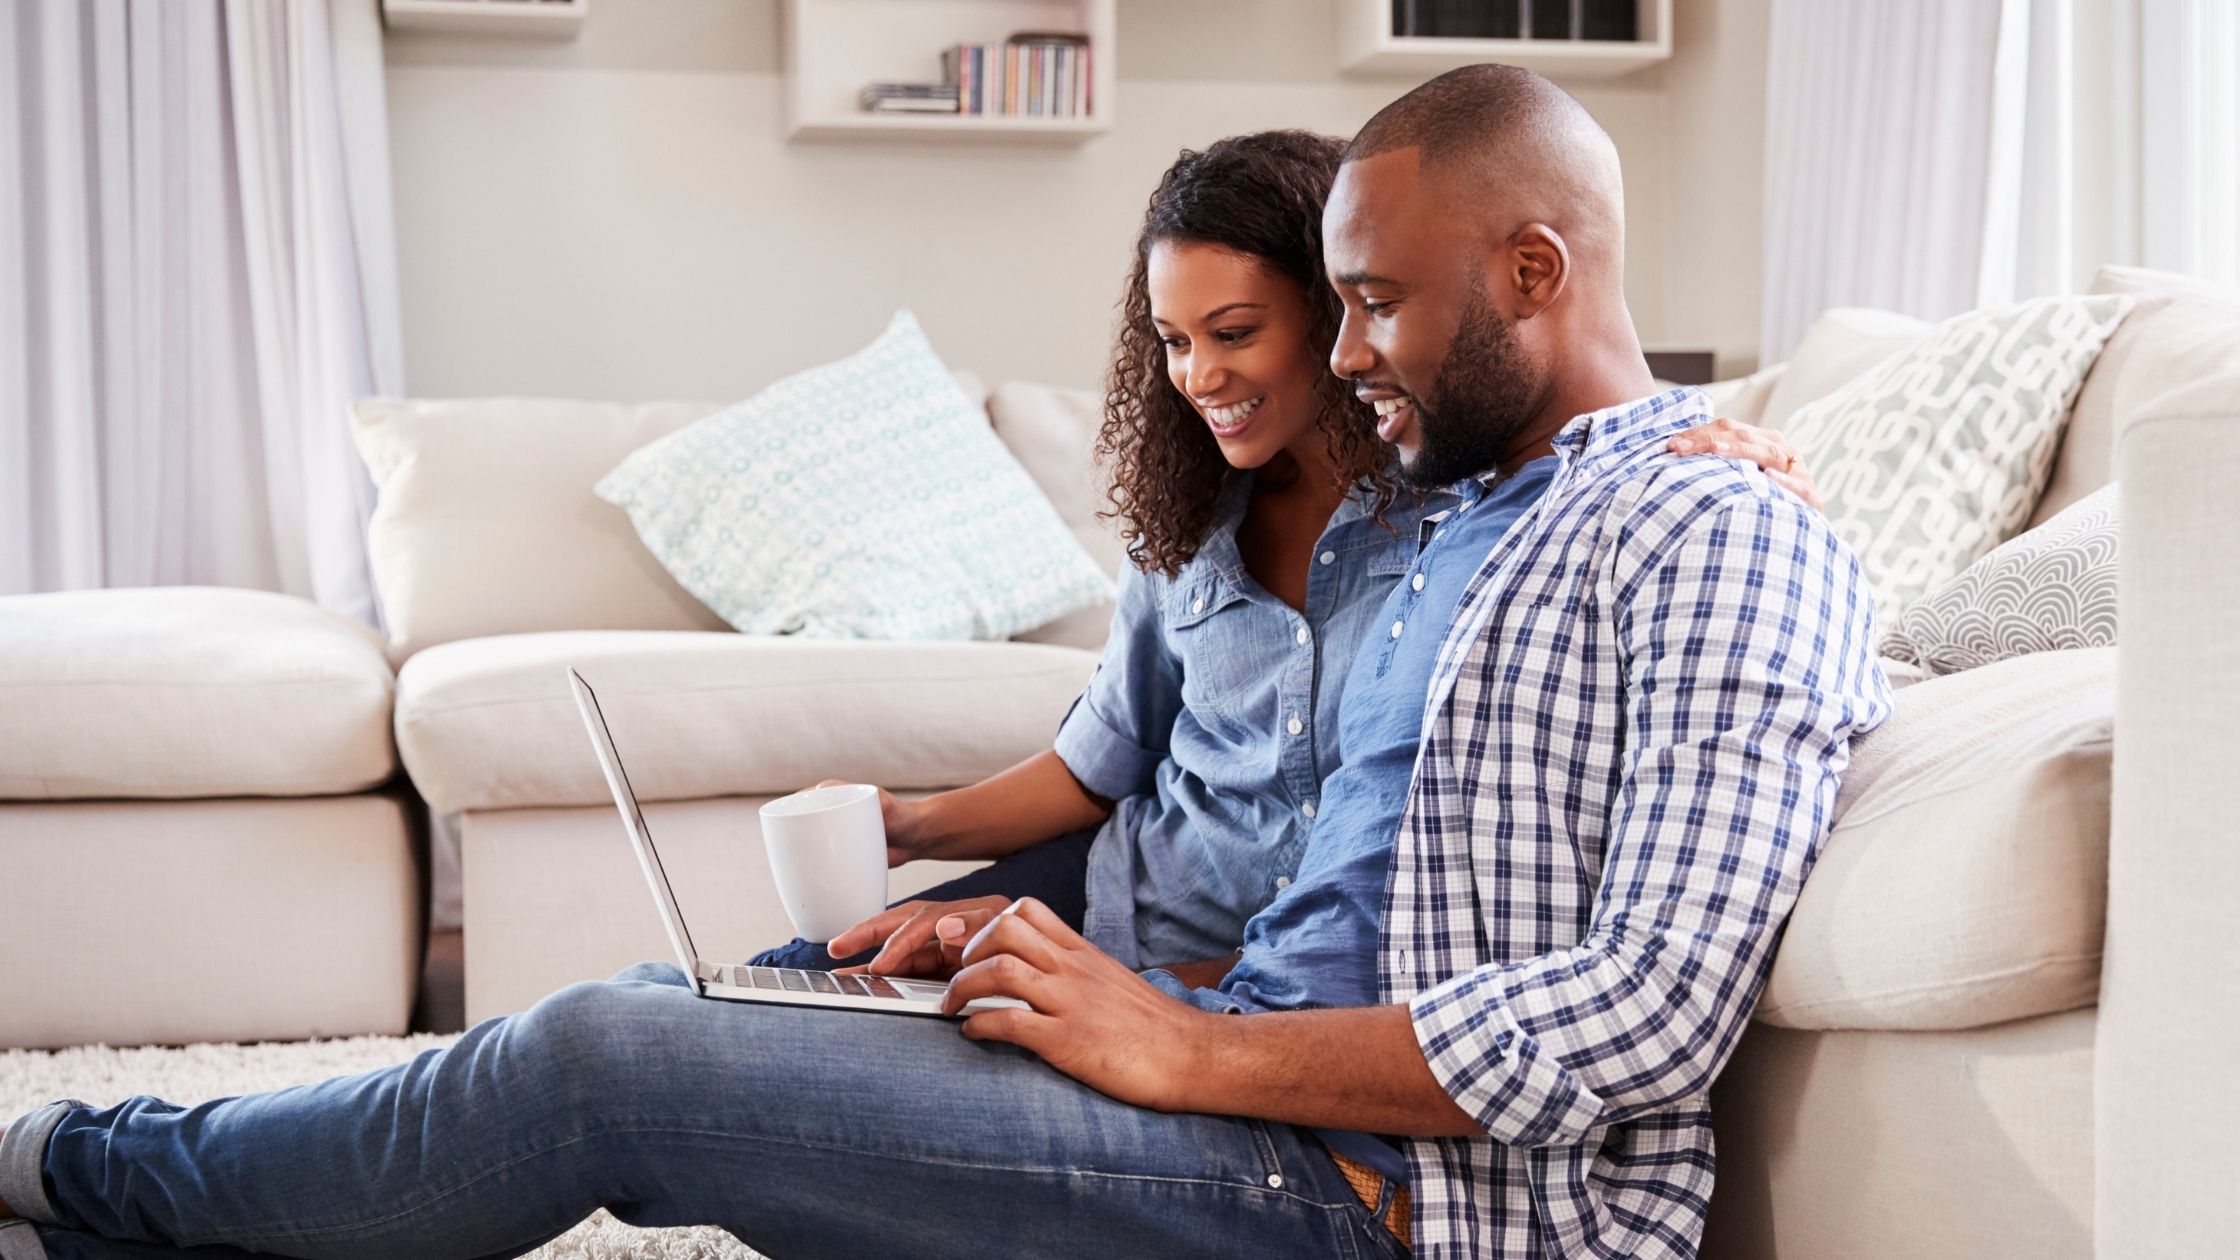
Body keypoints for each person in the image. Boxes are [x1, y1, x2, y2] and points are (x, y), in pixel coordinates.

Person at [0, 66, 1887, 1260]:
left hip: (1366, 1192)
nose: (1350, 355)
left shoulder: (1714, 526)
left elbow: (1644, 1014)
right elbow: (1250, 803)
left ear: (1540, 273)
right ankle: (174, 1178)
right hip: (1225, 1083)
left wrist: (1187, 1046)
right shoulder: (1448, 503)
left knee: (608, 1064)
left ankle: (84, 1168)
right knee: (731, 996)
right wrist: (1094, 965)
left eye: (1370, 307)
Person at [755, 131, 1814, 984]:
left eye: (1231, 332)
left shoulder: (1465, 494)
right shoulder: (1187, 522)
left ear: (1332, 312)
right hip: (1128, 890)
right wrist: (906, 827)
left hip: (1280, 975)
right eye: (1172, 341)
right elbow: (1103, 762)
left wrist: (1746, 459)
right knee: (796, 980)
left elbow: (1608, 452)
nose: (1198, 375)